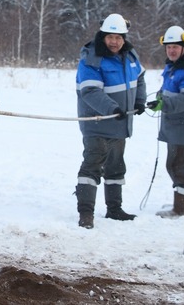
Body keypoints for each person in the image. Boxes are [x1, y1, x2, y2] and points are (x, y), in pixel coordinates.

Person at [75, 13, 147, 229]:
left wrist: (140, 101)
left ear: (124, 38)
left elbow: (140, 79)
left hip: (120, 126)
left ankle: (114, 209)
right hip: (97, 124)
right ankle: (86, 213)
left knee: (116, 167)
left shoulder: (130, 56)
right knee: (92, 167)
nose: (114, 42)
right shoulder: (91, 58)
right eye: (110, 37)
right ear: (103, 36)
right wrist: (112, 108)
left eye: (119, 38)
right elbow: (89, 91)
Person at [147, 25, 184, 219]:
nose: (171, 50)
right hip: (176, 127)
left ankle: (182, 209)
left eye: (175, 47)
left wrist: (163, 104)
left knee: (180, 166)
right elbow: (169, 90)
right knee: (179, 165)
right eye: (168, 47)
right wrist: (159, 97)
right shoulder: (175, 67)